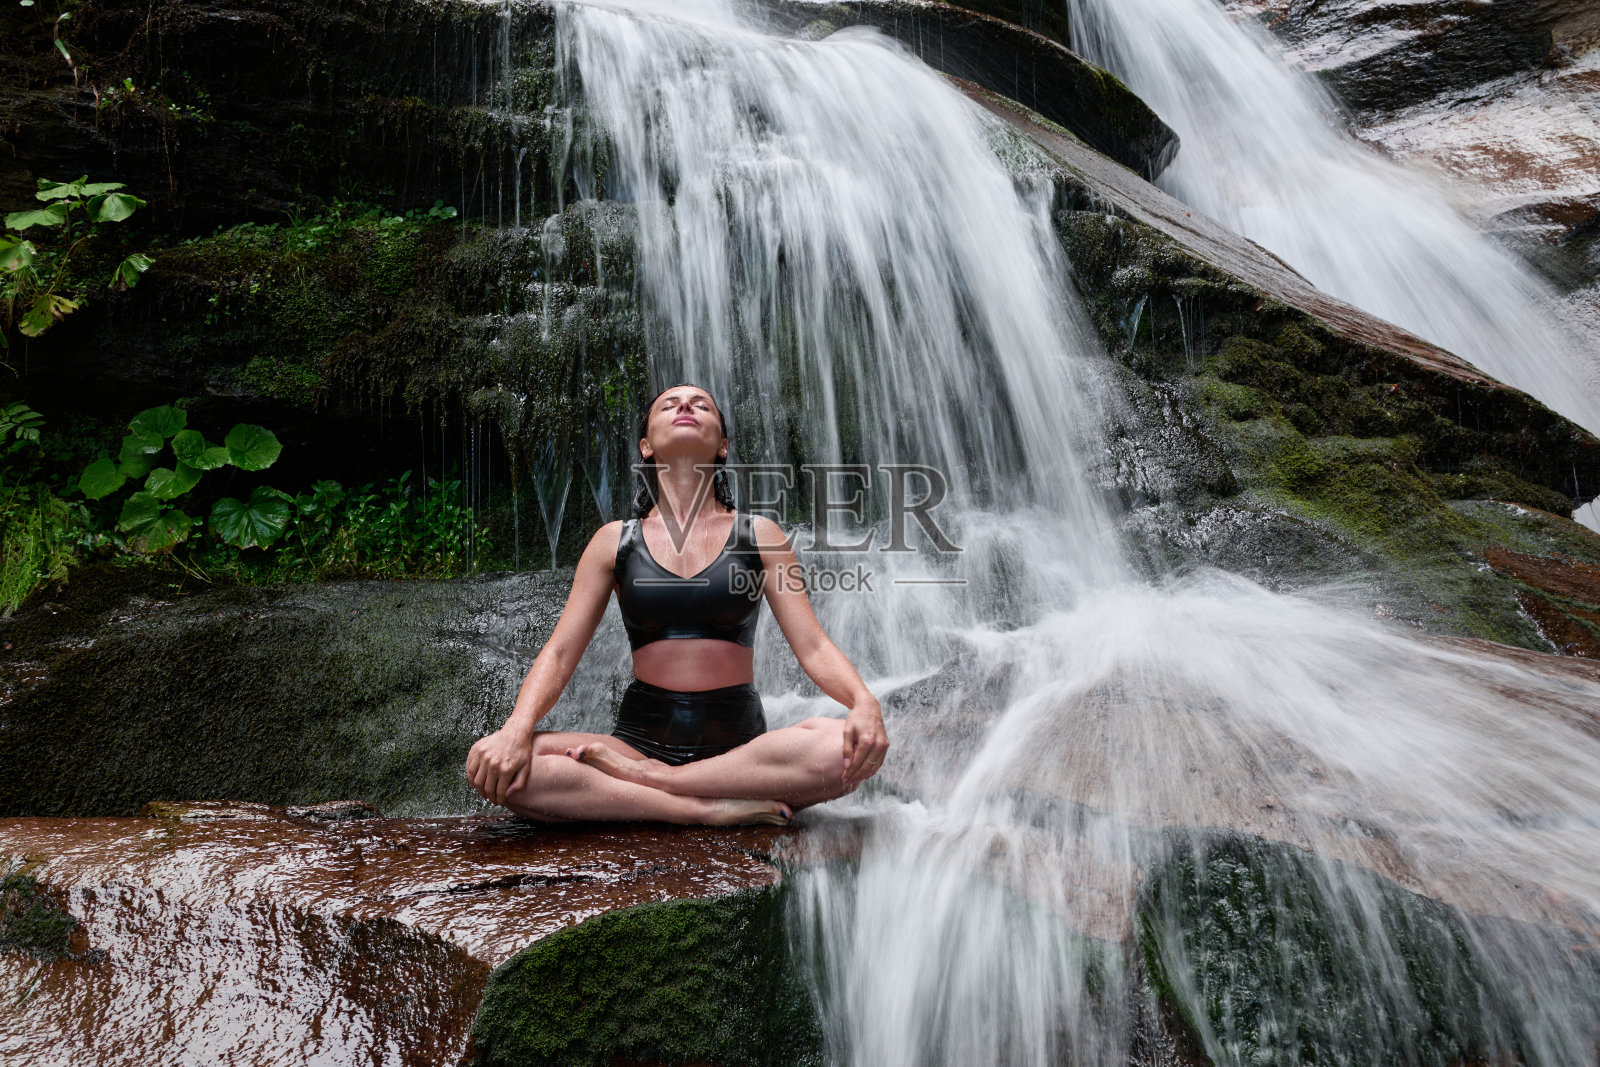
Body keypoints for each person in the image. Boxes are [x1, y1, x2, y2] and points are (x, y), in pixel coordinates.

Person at [464, 383, 890, 825]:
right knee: (494, 763)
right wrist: (516, 728)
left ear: (722, 446)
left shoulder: (761, 535)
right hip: (636, 743)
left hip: (741, 756)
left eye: (701, 404)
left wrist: (863, 702)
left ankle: (654, 784)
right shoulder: (613, 541)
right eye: (669, 404)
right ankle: (694, 809)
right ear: (646, 446)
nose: (685, 405)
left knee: (842, 745)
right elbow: (559, 653)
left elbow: (814, 647)